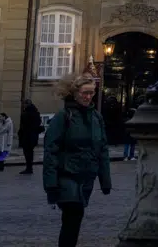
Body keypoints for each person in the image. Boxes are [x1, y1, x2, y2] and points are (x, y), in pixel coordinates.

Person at [43, 73, 112, 247]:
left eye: (91, 93)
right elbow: (50, 151)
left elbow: (102, 149)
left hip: (86, 178)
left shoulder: (96, 118)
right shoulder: (63, 117)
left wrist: (105, 181)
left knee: (75, 219)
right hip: (67, 175)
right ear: (75, 93)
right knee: (72, 218)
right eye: (85, 93)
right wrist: (51, 185)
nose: (88, 97)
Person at [20, 100, 43, 175]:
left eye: (24, 104)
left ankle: (29, 168)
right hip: (33, 135)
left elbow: (23, 126)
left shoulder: (25, 113)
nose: (23, 106)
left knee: (27, 152)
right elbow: (39, 123)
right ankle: (29, 168)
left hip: (27, 135)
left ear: (26, 104)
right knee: (30, 152)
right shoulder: (36, 113)